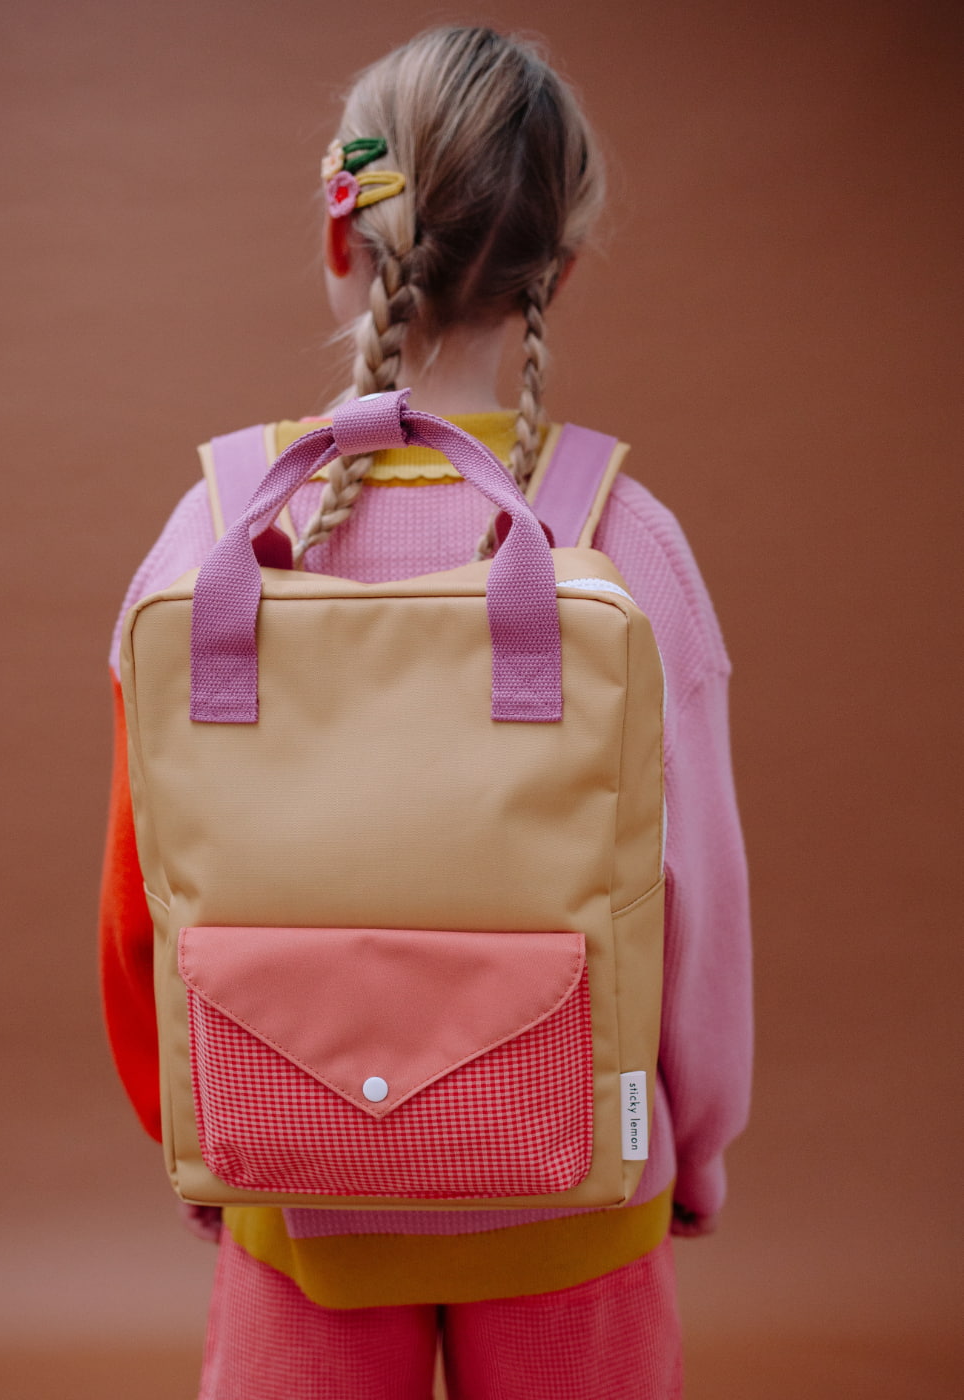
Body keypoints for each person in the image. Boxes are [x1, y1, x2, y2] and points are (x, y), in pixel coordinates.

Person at [100, 25, 751, 1400]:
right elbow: (695, 905)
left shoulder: (211, 538)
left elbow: (136, 897)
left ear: (344, 237)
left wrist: (202, 1120)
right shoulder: (625, 543)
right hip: (581, 1189)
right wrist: (688, 1147)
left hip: (293, 1176)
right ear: (556, 269)